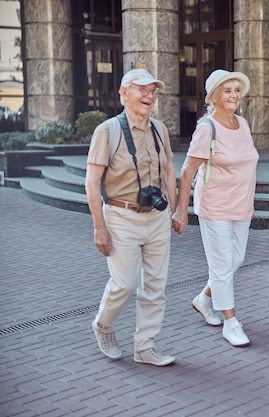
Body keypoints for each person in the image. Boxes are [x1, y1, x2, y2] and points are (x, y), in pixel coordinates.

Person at [85, 68, 178, 366]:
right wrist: (100, 227)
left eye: (153, 91)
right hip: (121, 216)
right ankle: (103, 324)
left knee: (155, 286)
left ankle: (144, 346)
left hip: (156, 217)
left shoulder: (159, 129)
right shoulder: (108, 131)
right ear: (124, 93)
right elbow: (91, 181)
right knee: (125, 283)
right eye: (143, 90)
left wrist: (176, 209)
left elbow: (168, 170)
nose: (149, 96)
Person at [172, 69, 258, 347]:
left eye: (236, 90)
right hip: (215, 207)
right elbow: (187, 172)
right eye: (227, 90)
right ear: (215, 96)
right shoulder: (207, 128)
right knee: (222, 265)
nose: (234, 95)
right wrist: (181, 210)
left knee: (235, 260)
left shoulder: (242, 124)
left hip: (241, 207)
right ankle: (230, 323)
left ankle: (203, 299)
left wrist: (250, 202)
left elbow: (248, 167)